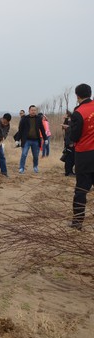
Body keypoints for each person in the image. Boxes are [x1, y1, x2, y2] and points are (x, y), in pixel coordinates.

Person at [69, 83, 94, 230]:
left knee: (81, 190)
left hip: (85, 154)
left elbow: (74, 136)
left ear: (77, 96)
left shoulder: (78, 112)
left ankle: (77, 222)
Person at [17, 105, 47, 173]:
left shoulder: (39, 118)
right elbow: (20, 129)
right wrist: (17, 139)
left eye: (34, 110)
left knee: (36, 155)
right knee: (24, 154)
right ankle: (22, 168)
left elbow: (42, 129)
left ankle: (35, 166)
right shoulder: (24, 118)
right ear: (29, 111)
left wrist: (45, 138)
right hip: (26, 140)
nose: (33, 111)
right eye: (32, 110)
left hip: (36, 140)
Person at [62, 110, 76, 176]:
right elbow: (68, 133)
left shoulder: (70, 121)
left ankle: (70, 171)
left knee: (71, 157)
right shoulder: (69, 122)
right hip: (69, 143)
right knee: (69, 158)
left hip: (70, 142)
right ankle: (68, 172)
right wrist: (70, 142)